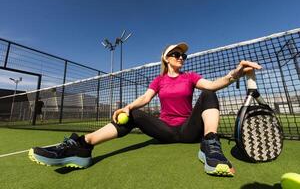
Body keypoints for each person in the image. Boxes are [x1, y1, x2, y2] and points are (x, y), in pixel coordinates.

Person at [28, 43, 261, 176]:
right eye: (176, 54)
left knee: (208, 93)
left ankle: (210, 147)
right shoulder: (159, 81)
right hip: (166, 130)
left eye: (183, 55)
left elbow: (212, 85)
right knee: (134, 114)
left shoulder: (190, 76)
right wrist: (127, 107)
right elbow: (146, 98)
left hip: (189, 130)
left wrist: (236, 73)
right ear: (166, 59)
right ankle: (83, 146)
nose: (181, 57)